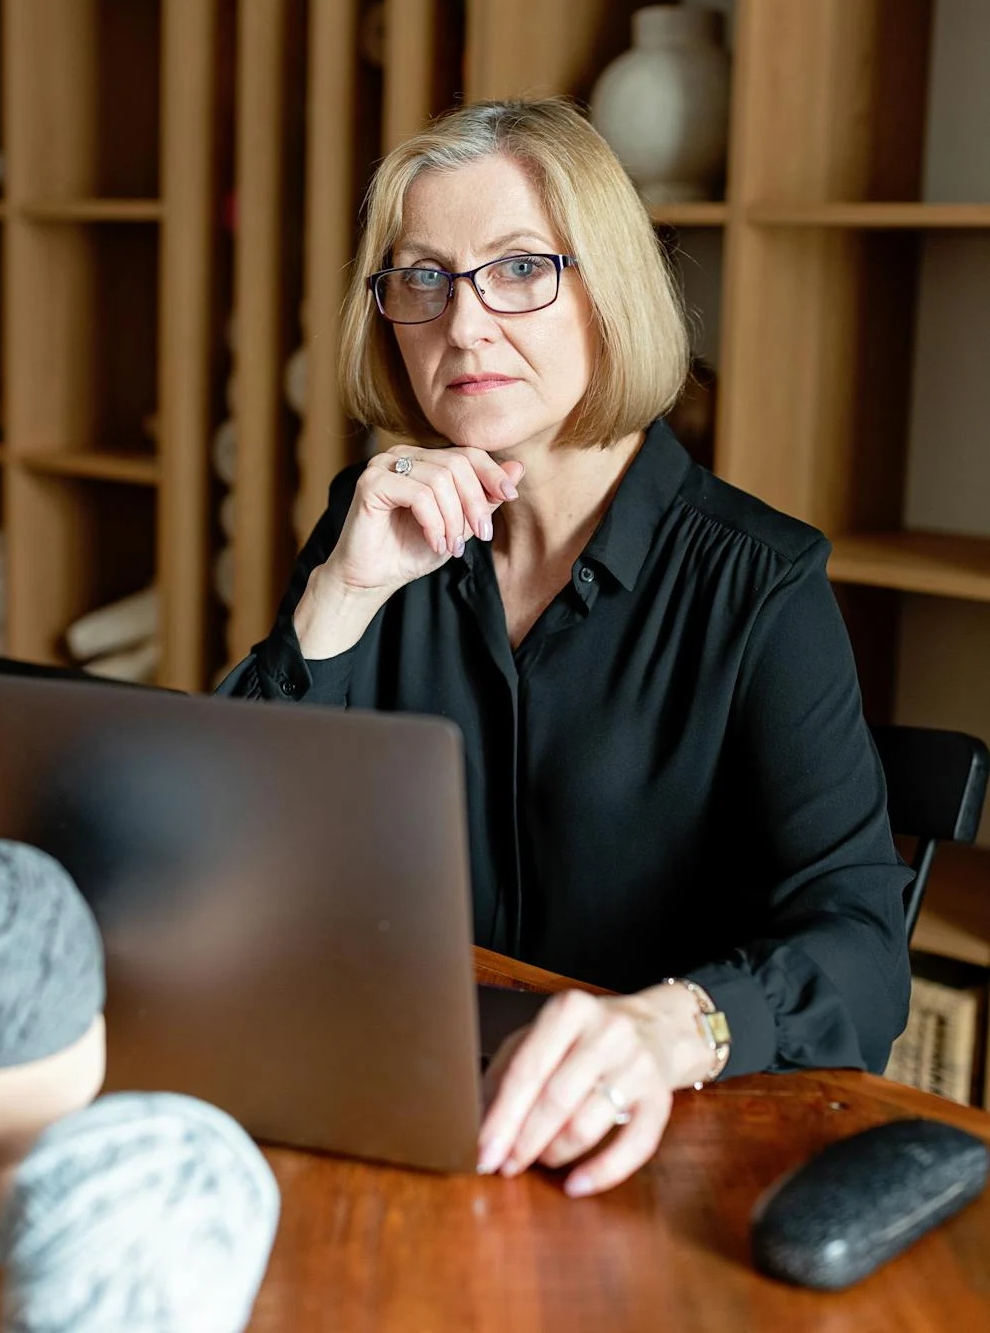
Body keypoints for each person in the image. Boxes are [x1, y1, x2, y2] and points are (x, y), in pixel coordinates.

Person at [219, 97, 912, 1197]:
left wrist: (665, 1030)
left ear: (609, 291)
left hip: (650, 1147)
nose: (463, 324)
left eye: (517, 269)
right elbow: (224, 856)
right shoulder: (374, 525)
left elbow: (864, 953)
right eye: (423, 277)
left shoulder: (758, 583)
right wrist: (336, 600)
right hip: (404, 1107)